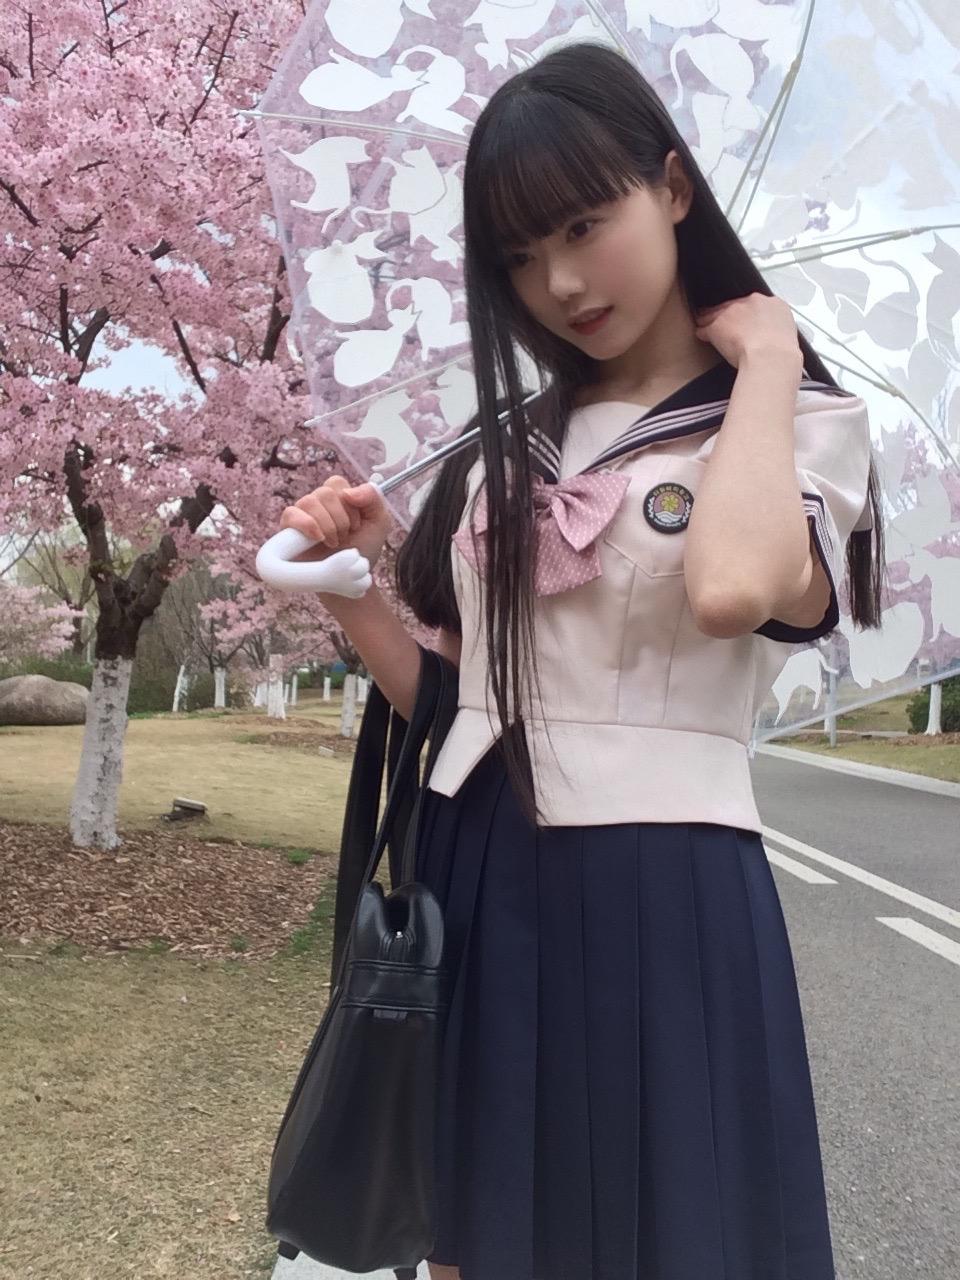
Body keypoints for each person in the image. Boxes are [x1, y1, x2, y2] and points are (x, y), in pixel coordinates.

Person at [278, 41, 885, 1280]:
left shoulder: (801, 424)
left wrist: (769, 362)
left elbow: (732, 587)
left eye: (581, 225)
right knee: (470, 1236)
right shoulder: (503, 447)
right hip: (473, 865)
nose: (556, 281)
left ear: (674, 187)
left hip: (661, 883)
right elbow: (459, 705)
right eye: (517, 254)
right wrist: (349, 587)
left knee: (664, 1232)